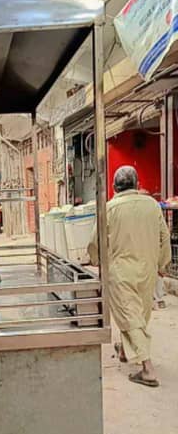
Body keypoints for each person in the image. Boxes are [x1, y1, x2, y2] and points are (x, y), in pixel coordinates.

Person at [88, 165, 171, 387]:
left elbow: (96, 241)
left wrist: (96, 261)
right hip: (147, 271)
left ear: (115, 187)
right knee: (139, 315)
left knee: (130, 316)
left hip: (121, 272)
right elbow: (164, 236)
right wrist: (163, 263)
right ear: (137, 185)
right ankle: (124, 351)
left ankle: (147, 369)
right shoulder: (152, 206)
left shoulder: (110, 208)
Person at [138, 189, 167, 309]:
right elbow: (165, 235)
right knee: (157, 273)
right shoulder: (154, 209)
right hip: (154, 247)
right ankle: (156, 298)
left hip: (145, 248)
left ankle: (154, 298)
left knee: (154, 273)